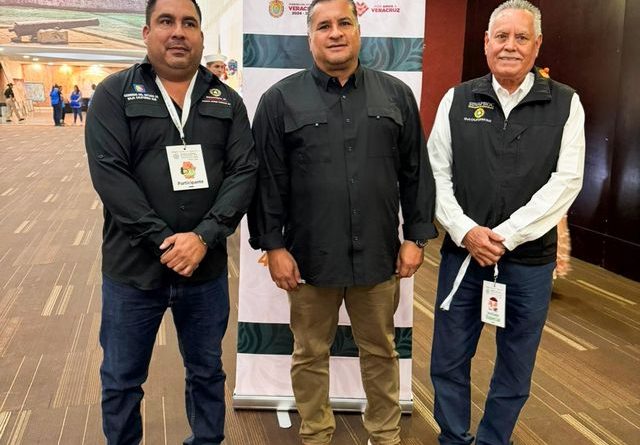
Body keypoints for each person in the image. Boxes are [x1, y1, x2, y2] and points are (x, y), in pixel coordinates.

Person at [248, 1, 437, 444]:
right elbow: (266, 181)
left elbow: (416, 172)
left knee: (381, 351)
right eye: (324, 26)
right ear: (310, 36)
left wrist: (416, 238)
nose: (335, 33)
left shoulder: (396, 95)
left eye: (344, 23)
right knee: (310, 353)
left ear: (358, 30)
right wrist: (273, 247)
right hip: (309, 258)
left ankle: (385, 435)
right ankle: (316, 433)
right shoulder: (279, 100)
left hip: (378, 255)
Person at [84, 0, 257, 443]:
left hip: (205, 267)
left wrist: (203, 236)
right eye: (166, 21)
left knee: (207, 372)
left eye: (189, 23)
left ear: (200, 35)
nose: (178, 32)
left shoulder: (226, 100)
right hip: (132, 269)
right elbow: (111, 176)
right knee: (121, 379)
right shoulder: (115, 94)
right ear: (147, 33)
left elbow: (243, 173)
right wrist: (166, 241)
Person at [426, 1, 585, 444]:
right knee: (448, 359)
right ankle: (453, 438)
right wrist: (465, 231)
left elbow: (567, 181)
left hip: (529, 262)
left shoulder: (566, 103)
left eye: (520, 37)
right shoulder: (457, 99)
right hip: (464, 255)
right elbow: (435, 174)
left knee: (515, 365)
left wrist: (506, 236)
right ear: (486, 43)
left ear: (537, 45)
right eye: (501, 36)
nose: (509, 46)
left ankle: (494, 440)